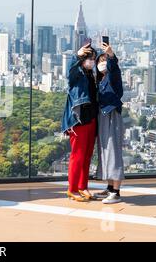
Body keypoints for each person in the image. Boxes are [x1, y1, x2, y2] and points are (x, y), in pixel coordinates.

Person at [61, 41, 98, 202]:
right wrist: (77, 55)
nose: (92, 61)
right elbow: (70, 71)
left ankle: (83, 186)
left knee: (87, 155)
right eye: (89, 58)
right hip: (78, 121)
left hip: (91, 119)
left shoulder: (92, 75)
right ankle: (72, 189)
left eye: (93, 59)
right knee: (77, 155)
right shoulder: (77, 75)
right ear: (83, 59)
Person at [94, 42, 125, 204]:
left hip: (112, 115)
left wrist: (111, 55)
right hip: (103, 116)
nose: (101, 64)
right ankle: (110, 188)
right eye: (99, 61)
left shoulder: (113, 76)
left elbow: (114, 69)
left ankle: (117, 192)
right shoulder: (102, 80)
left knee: (113, 153)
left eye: (104, 60)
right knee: (105, 151)